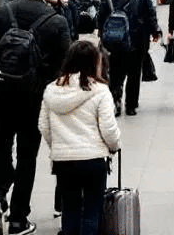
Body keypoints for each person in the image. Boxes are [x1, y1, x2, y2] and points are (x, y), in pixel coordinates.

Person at [0, 0, 72, 235]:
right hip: (34, 99)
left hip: (0, 93)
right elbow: (65, 64)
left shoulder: (1, 12)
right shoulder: (56, 20)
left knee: (1, 148)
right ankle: (18, 218)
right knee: (27, 156)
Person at [38, 40, 121, 235]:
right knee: (92, 211)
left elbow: (43, 125)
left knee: (70, 209)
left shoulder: (51, 89)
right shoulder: (100, 90)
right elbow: (108, 129)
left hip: (64, 161)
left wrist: (57, 146)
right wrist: (115, 145)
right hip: (93, 160)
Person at [99, 0, 161, 116]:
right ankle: (117, 101)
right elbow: (102, 17)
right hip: (117, 42)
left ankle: (130, 104)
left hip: (136, 41)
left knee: (133, 75)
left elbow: (150, 16)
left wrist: (155, 31)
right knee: (116, 74)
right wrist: (102, 35)